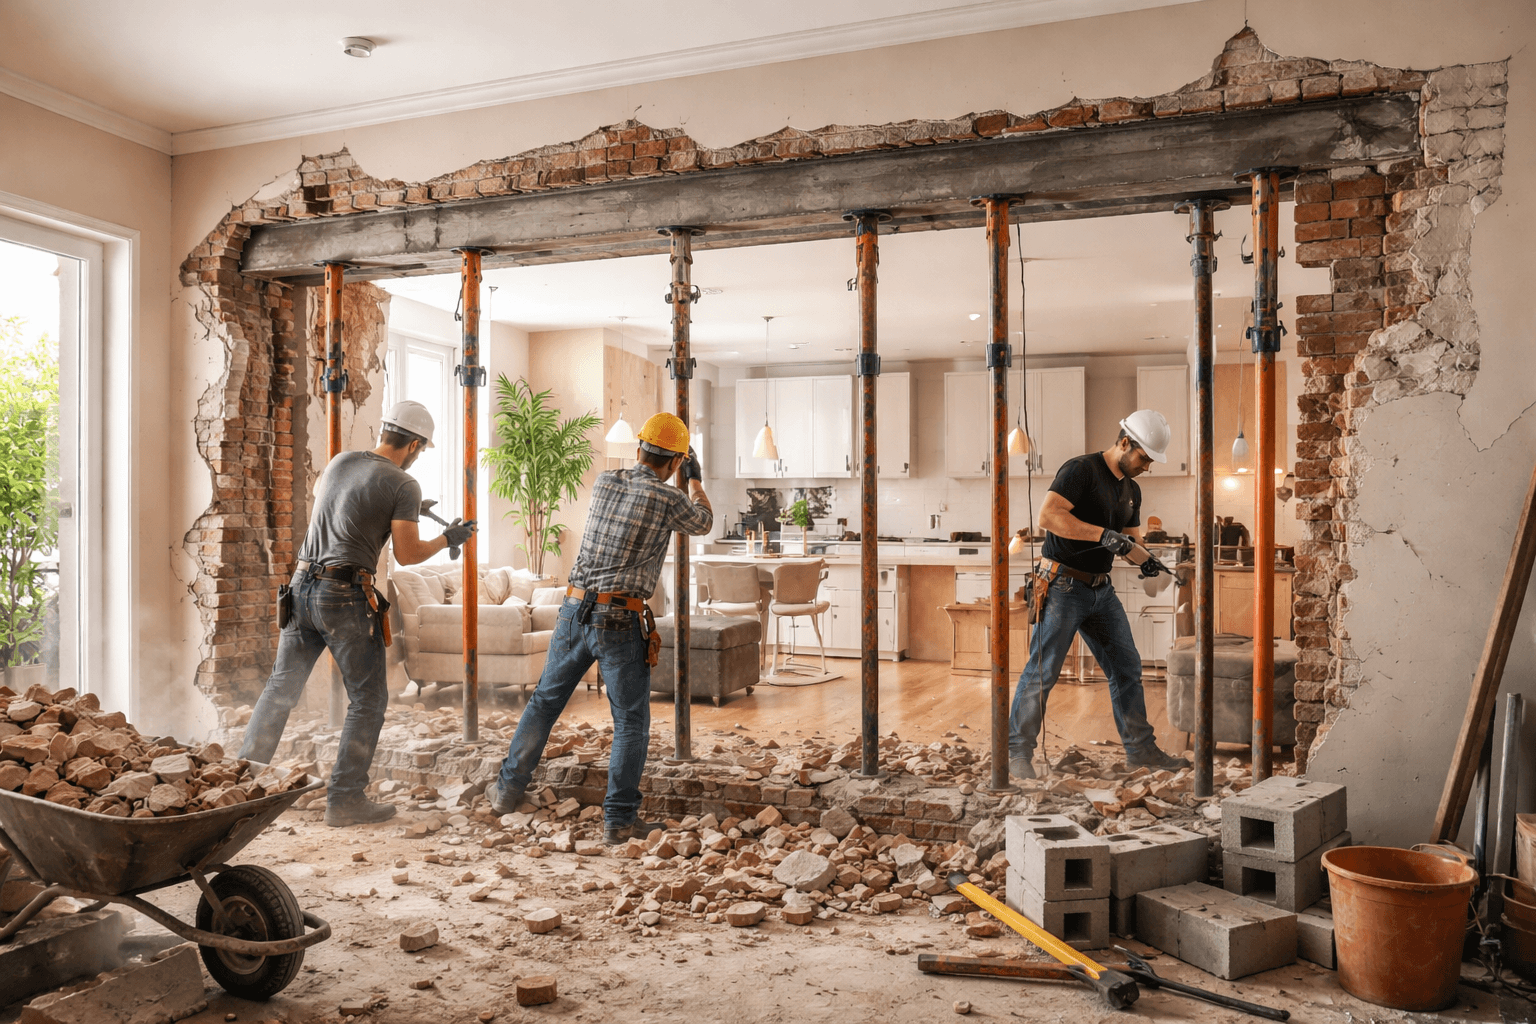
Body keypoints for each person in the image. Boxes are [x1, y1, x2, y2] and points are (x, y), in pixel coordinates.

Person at [238, 401, 477, 826]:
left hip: (300, 589)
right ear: (416, 444)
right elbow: (406, 554)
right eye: (421, 449)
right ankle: (345, 798)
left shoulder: (341, 461)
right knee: (368, 699)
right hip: (344, 598)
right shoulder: (405, 483)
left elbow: (344, 503)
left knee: (280, 689)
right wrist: (447, 537)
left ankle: (239, 783)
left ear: (386, 431)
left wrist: (403, 512)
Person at [485, 412, 713, 844]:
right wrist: (695, 478)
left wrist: (676, 467)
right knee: (630, 722)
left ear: (640, 448)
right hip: (620, 618)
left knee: (543, 704)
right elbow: (703, 520)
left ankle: (506, 792)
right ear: (675, 463)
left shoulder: (606, 481)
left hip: (573, 608)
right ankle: (619, 820)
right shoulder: (669, 498)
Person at [1010, 409, 1190, 780]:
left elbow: (1133, 540)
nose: (1147, 466)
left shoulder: (1131, 489)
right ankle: (1016, 754)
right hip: (1062, 585)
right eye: (1144, 457)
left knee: (1126, 668)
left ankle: (1141, 752)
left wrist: (1148, 562)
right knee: (1042, 672)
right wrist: (1102, 535)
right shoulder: (1080, 470)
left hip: (1099, 591)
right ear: (1124, 442)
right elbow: (1048, 516)